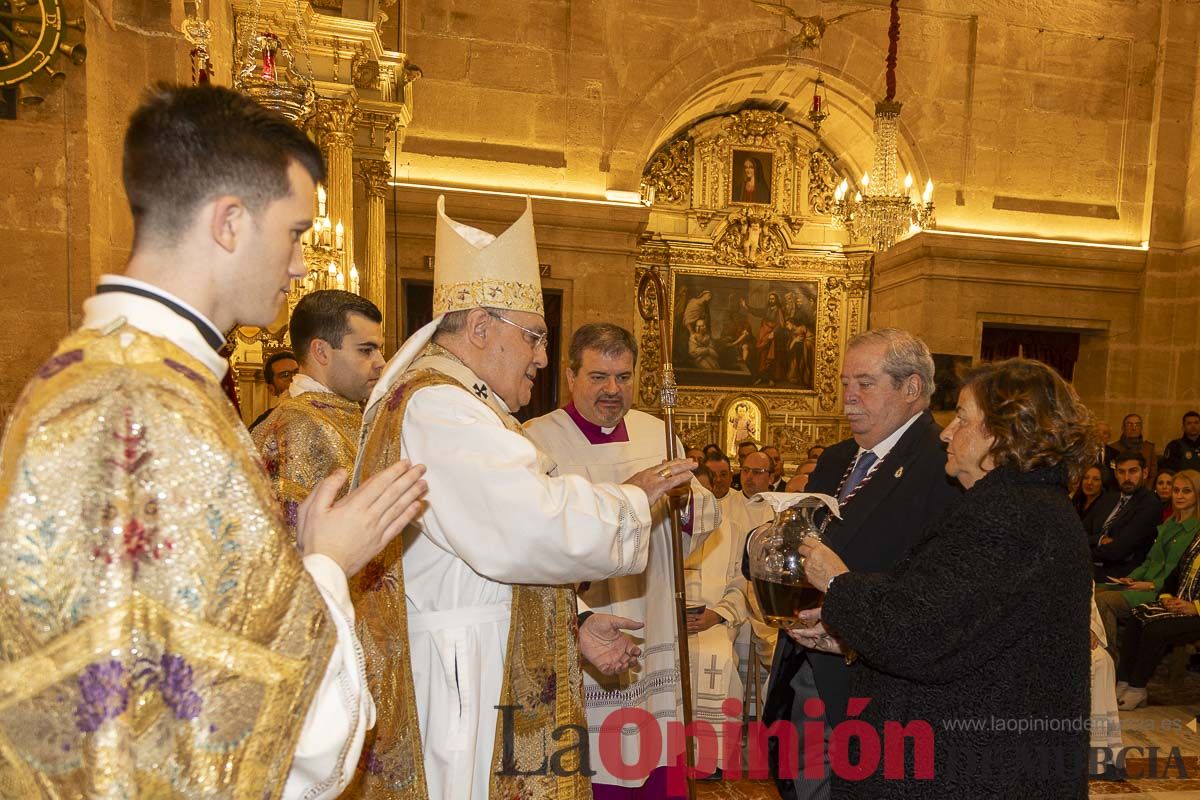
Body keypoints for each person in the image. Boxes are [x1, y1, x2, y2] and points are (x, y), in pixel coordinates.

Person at [0, 84, 428, 799]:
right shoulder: (145, 402)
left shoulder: (111, 373)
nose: (299, 266)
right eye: (293, 233)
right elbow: (259, 730)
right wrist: (328, 563)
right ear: (230, 222)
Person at [350, 196, 695, 799]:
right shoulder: (440, 407)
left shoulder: (463, 405)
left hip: (478, 655)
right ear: (480, 327)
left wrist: (576, 623)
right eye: (533, 336)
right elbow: (525, 526)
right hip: (465, 680)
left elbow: (491, 555)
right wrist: (634, 501)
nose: (540, 355)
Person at [797, 357, 1094, 798]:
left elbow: (918, 632)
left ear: (1000, 433)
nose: (947, 433)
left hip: (974, 766)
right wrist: (848, 632)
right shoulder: (1021, 505)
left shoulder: (1010, 516)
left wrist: (837, 581)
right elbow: (953, 614)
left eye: (961, 418)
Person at [756, 328, 960, 800]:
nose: (848, 397)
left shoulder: (942, 465)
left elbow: (935, 582)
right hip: (805, 666)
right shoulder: (837, 458)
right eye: (845, 382)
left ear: (911, 388)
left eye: (864, 383)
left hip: (876, 682)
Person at [525, 323, 721, 797]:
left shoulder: (661, 432)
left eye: (624, 376)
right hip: (587, 613)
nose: (613, 389)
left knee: (657, 740)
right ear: (570, 376)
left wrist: (686, 504)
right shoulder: (537, 439)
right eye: (598, 376)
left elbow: (699, 517)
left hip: (653, 611)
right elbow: (534, 538)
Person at [253, 290, 384, 525]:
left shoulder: (339, 411)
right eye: (366, 350)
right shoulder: (297, 426)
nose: (380, 362)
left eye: (379, 349)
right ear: (321, 351)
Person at [684, 451, 752, 778]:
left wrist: (717, 615)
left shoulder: (732, 530)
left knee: (719, 658)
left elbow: (741, 587)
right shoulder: (662, 528)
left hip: (713, 622)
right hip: (668, 625)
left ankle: (711, 759)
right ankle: (668, 756)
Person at [1093, 470, 1200, 649]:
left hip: (1163, 591)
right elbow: (1150, 560)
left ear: (1197, 494)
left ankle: (1110, 658)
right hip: (1144, 583)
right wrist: (1133, 577)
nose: (1179, 496)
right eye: (1176, 490)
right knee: (1093, 592)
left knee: (1104, 602)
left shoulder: (1196, 531)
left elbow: (1180, 576)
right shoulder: (1169, 524)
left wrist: (1151, 585)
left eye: (1186, 491)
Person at [1086, 452, 1162, 580]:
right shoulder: (1109, 497)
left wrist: (1080, 553)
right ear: (1115, 474)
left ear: (1144, 473)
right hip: (1090, 565)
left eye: (1133, 471)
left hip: (1120, 574)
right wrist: (1099, 539)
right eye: (1121, 472)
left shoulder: (1150, 504)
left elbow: (1118, 551)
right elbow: (1079, 532)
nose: (1127, 477)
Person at [249, 349, 299, 429]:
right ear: (272, 389)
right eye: (285, 375)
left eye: (298, 372)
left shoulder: (322, 409)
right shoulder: (263, 425)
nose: (295, 379)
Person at [1115, 413, 1157, 483]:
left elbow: (1153, 473)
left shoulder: (1149, 448)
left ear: (1141, 428)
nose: (1133, 428)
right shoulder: (1113, 447)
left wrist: (1147, 490)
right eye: (1129, 424)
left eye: (1137, 425)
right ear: (1123, 428)